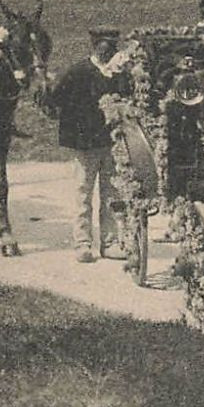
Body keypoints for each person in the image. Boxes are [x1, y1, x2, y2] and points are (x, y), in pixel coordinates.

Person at [45, 26, 131, 262]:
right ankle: (82, 243)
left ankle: (110, 241)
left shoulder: (119, 73)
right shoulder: (78, 71)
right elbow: (55, 99)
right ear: (96, 46)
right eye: (105, 47)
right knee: (83, 192)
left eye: (112, 47)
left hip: (111, 143)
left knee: (111, 193)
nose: (109, 52)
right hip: (85, 144)